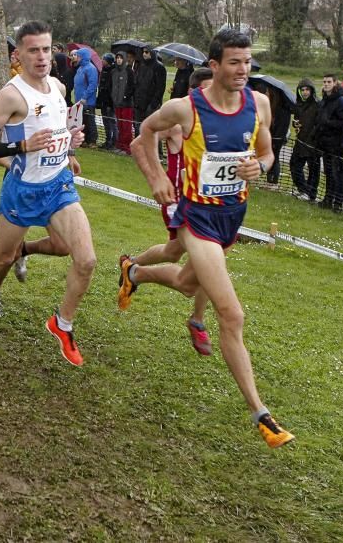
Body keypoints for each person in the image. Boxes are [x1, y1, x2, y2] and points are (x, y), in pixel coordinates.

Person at [118, 28, 294, 448]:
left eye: (247, 62)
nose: (243, 70)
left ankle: (135, 273)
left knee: (183, 283)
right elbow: (142, 133)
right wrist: (157, 175)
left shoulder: (260, 104)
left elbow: (268, 152)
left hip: (233, 216)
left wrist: (261, 166)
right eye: (234, 62)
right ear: (214, 65)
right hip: (198, 218)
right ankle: (262, 416)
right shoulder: (185, 108)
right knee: (231, 315)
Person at [0, 20, 92, 366]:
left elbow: (58, 127)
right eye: (33, 50)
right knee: (3, 256)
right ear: (18, 54)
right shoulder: (11, 94)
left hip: (58, 185)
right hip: (23, 190)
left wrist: (70, 150)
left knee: (84, 258)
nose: (41, 57)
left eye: (46, 49)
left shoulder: (57, 86)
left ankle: (62, 324)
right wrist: (21, 145)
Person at [119, 67, 214, 355]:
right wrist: (156, 179)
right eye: (207, 91)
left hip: (208, 204)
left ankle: (130, 266)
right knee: (207, 266)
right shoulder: (177, 122)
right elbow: (138, 144)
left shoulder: (218, 124)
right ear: (194, 92)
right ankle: (197, 321)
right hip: (179, 204)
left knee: (174, 252)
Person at [314, 74, 343, 210]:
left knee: (337, 173)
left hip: (336, 143)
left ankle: (338, 202)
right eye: (324, 82)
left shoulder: (341, 100)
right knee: (329, 173)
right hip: (325, 142)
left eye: (329, 82)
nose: (326, 84)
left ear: (335, 83)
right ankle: (328, 198)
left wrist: (329, 123)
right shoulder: (324, 100)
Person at [289, 78, 319, 201]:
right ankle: (303, 189)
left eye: (307, 89)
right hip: (300, 141)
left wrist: (313, 136)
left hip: (313, 143)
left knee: (313, 170)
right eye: (302, 90)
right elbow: (296, 121)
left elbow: (319, 124)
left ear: (312, 90)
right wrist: (295, 124)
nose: (305, 92)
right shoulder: (298, 104)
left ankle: (311, 194)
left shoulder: (318, 104)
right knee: (294, 165)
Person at [72, 47, 99, 147]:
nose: (76, 58)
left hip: (88, 101)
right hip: (79, 100)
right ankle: (84, 140)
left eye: (78, 56)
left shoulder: (91, 68)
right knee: (82, 121)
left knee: (90, 121)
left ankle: (92, 141)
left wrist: (85, 97)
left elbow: (92, 85)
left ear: (83, 57)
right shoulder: (80, 68)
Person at [112, 52, 135, 153]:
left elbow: (132, 86)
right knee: (119, 125)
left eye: (121, 58)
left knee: (126, 126)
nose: (119, 60)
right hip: (117, 102)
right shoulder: (114, 71)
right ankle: (120, 145)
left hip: (126, 103)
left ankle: (127, 147)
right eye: (117, 58)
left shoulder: (130, 71)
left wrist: (125, 96)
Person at [98, 53, 117, 149]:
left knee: (111, 122)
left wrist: (111, 102)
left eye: (104, 59)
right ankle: (107, 140)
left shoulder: (113, 72)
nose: (102, 60)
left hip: (110, 102)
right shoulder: (103, 71)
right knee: (105, 121)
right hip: (103, 101)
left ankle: (113, 142)